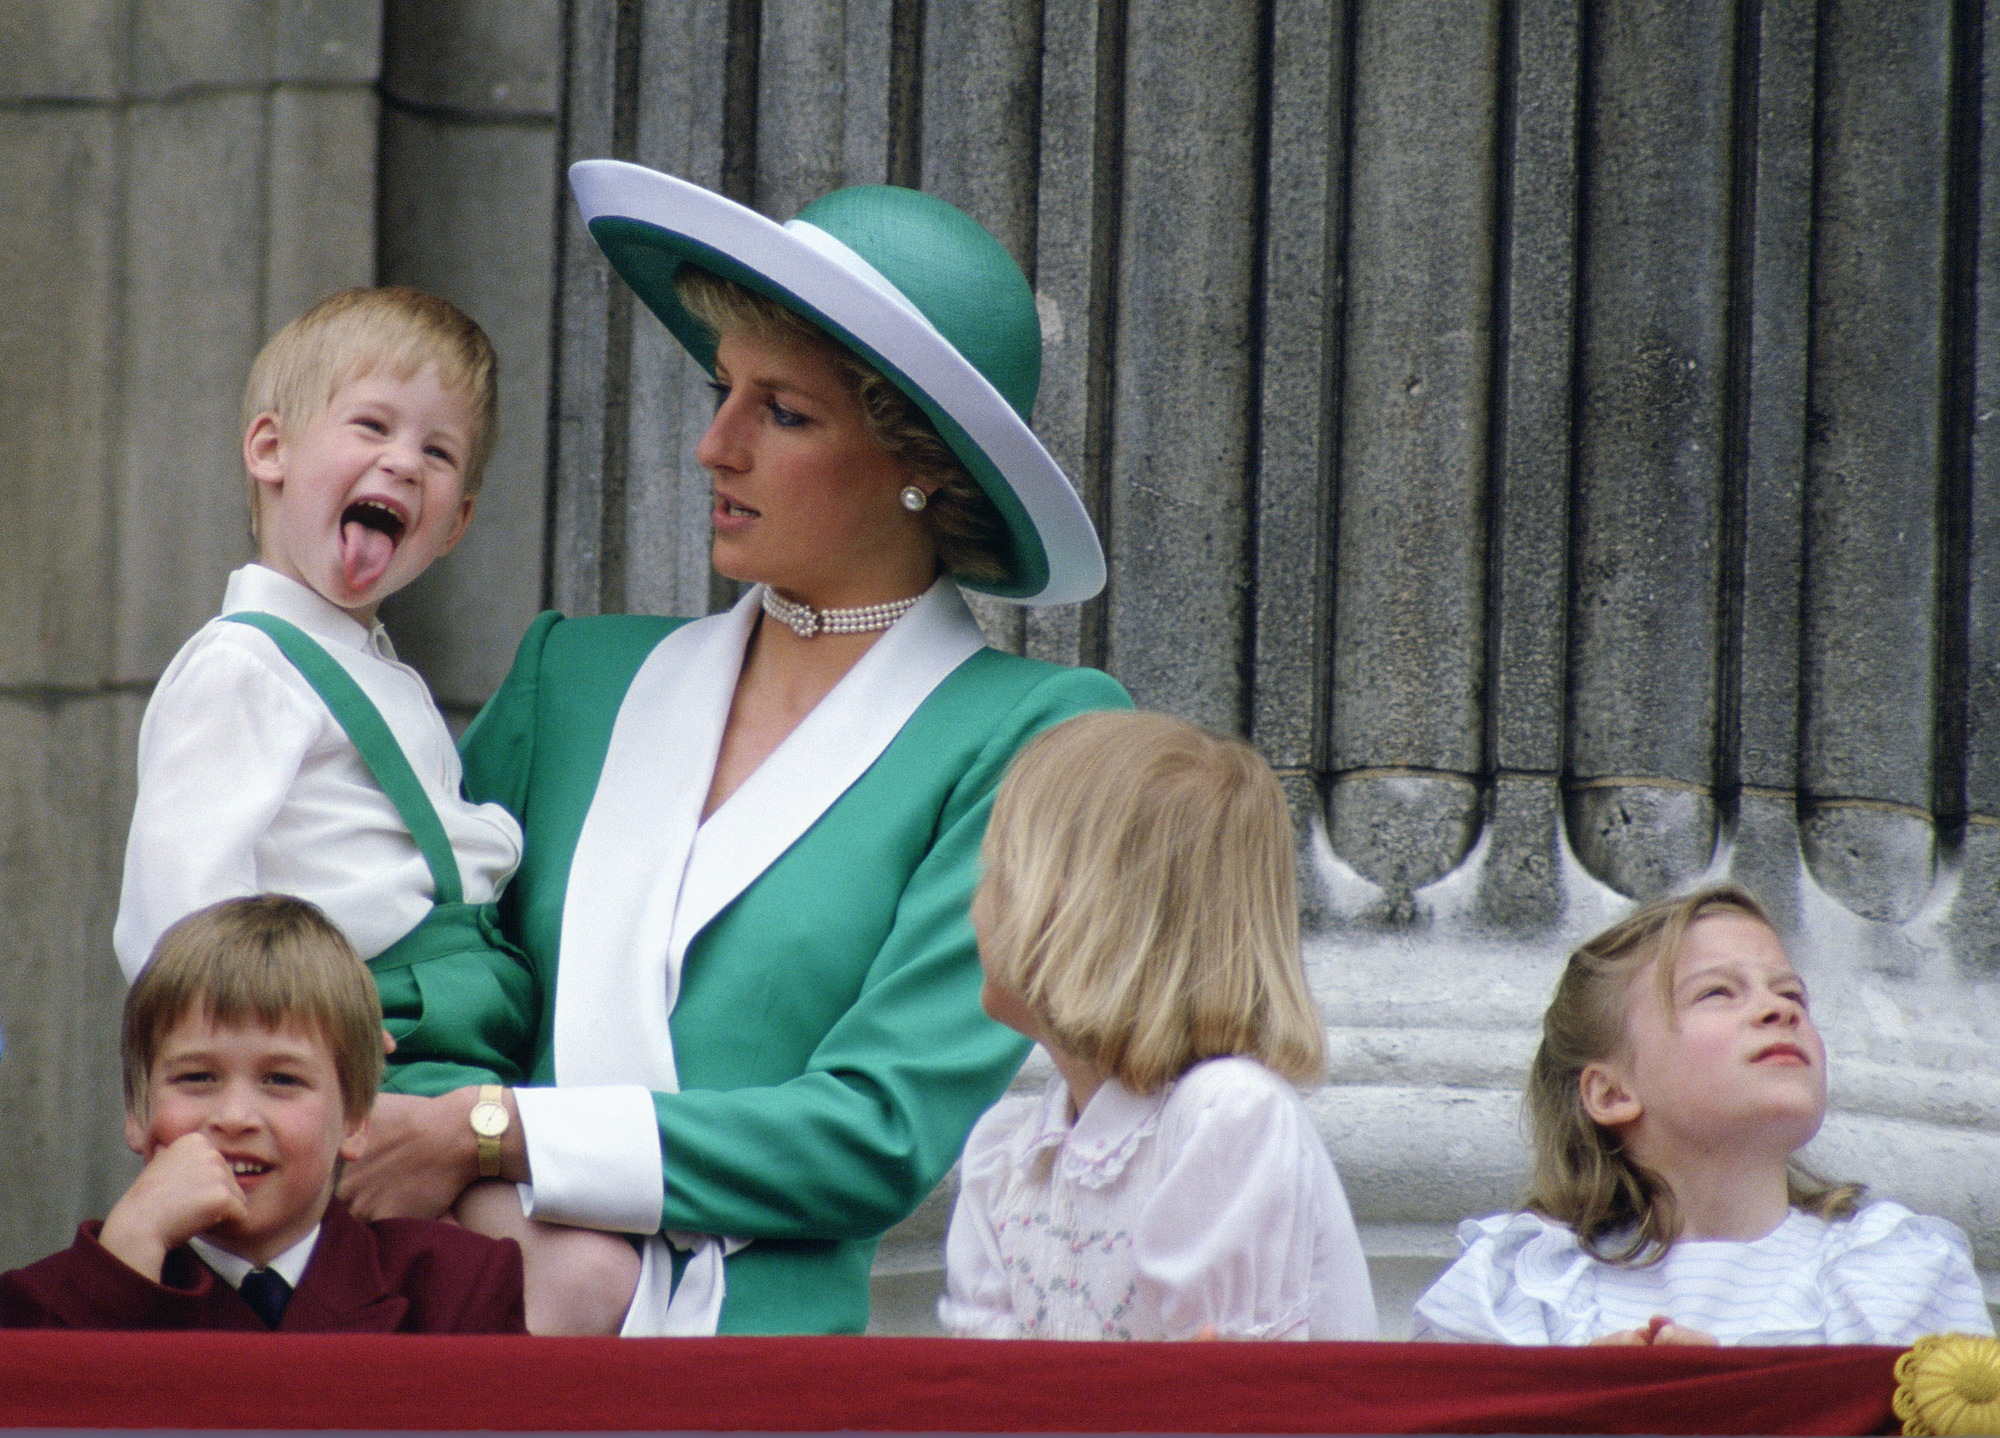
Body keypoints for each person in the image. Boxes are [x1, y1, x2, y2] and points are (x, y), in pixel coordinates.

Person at [337, 164, 1130, 1336]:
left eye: (784, 411)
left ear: (922, 463)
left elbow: (875, 1131)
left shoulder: (1031, 734)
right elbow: (427, 985)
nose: (714, 445)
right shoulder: (573, 675)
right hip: (465, 1326)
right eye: (722, 389)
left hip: (761, 1379)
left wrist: (499, 1134)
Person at [113, 287, 539, 1101]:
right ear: (270, 449)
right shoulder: (244, 666)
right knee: (548, 1230)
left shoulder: (370, 667)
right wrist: (276, 1051)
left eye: (440, 454)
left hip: (451, 1026)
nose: (405, 461)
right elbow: (175, 910)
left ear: (456, 525)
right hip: (364, 1039)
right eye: (373, 426)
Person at [939, 710, 1378, 1341]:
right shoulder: (1008, 1155)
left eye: (997, 875)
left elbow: (1216, 1404)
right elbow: (983, 1399)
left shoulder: (1225, 1117)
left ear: (1071, 908)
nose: (972, 906)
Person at [1413, 884, 1993, 1346]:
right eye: (1718, 992)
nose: (1776, 1010)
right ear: (1612, 1093)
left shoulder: (1896, 1274)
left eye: (1792, 995)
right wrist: (1574, 1399)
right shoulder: (1517, 1287)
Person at [1, 896, 525, 1332]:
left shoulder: (458, 1288)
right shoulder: (33, 1308)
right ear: (137, 1109)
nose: (234, 1117)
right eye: (197, 1078)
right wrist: (128, 1257)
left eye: (281, 1080)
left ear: (356, 1121)